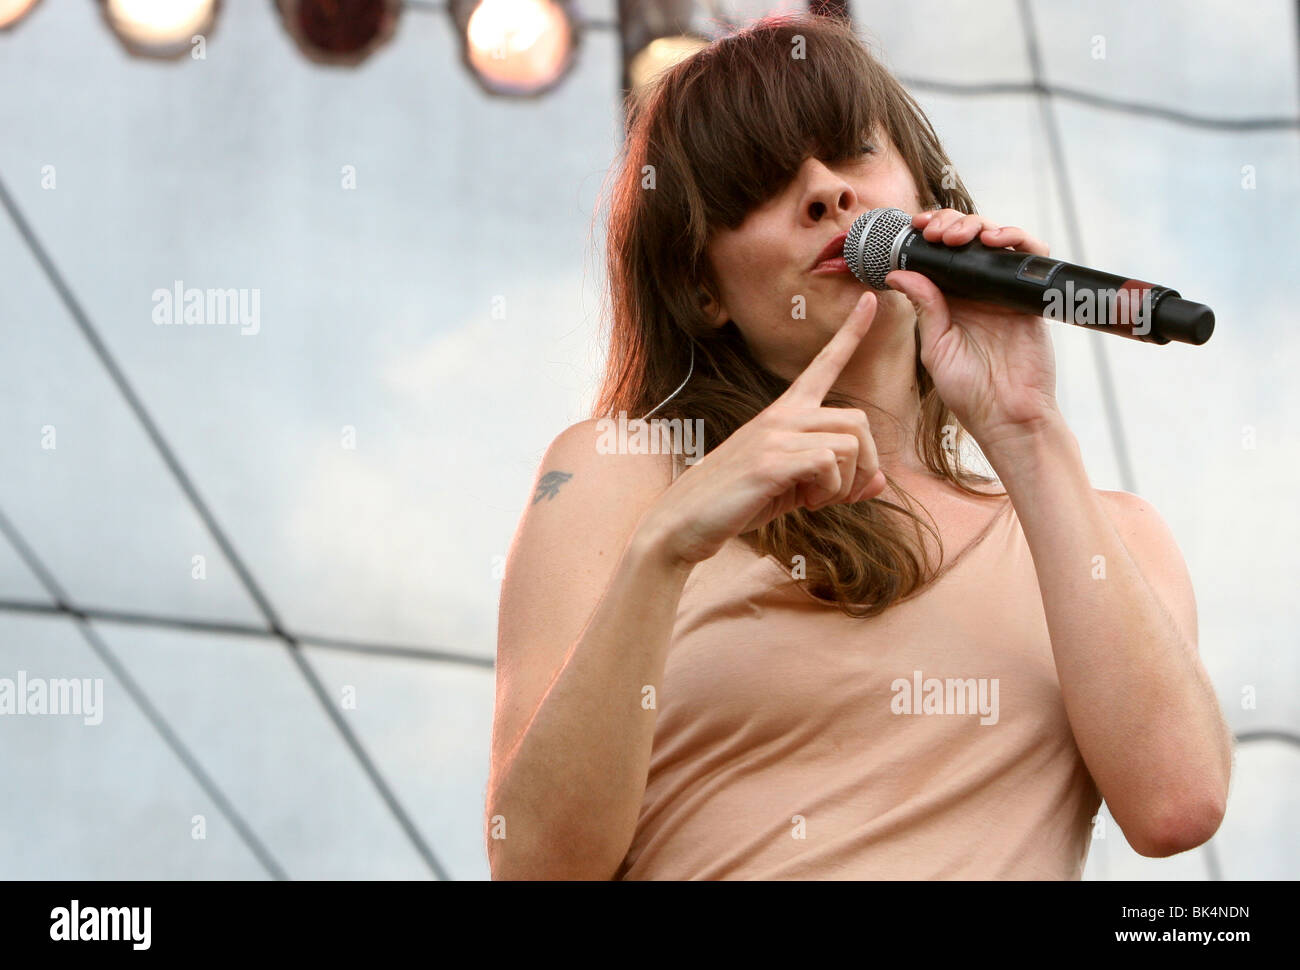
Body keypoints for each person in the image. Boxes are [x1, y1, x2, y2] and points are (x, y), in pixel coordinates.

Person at [485, 12, 1232, 880]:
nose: (825, 191)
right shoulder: (621, 476)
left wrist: (1026, 431)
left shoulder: (1110, 539)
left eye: (851, 153)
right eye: (759, 186)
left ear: (926, 196)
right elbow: (534, 864)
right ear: (701, 289)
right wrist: (664, 551)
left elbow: (1178, 805)